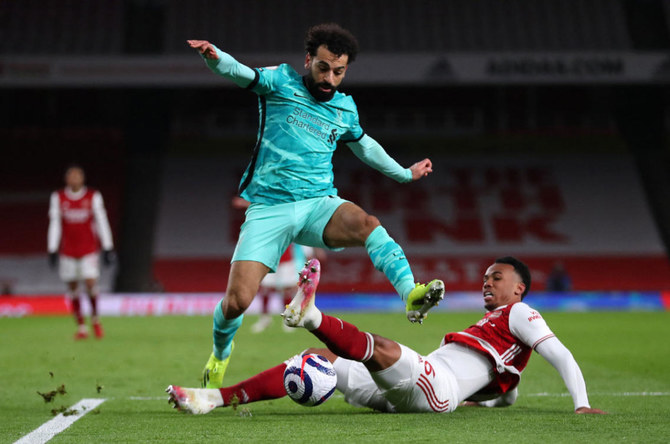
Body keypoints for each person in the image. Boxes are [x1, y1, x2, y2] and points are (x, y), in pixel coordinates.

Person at [188, 23, 445, 388]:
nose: (329, 78)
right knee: (236, 303)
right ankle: (220, 353)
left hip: (317, 203)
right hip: (269, 208)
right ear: (308, 60)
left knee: (367, 224)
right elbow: (240, 73)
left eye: (338, 71)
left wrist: (404, 174)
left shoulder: (344, 109)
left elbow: (366, 147)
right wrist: (216, 57)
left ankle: (411, 294)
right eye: (323, 67)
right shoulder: (279, 82)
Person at [167, 257, 607, 415]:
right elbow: (508, 390)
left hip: (437, 390)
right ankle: (214, 399)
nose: (487, 283)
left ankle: (312, 312)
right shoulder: (491, 329)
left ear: (519, 288)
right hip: (412, 389)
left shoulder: (522, 312)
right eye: (486, 277)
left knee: (386, 347)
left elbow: (562, 355)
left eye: (498, 277)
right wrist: (491, 397)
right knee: (315, 360)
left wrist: (582, 404)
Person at [48, 165, 115, 340]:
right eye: (71, 176)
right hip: (68, 251)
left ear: (83, 179)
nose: (74, 179)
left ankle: (95, 319)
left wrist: (108, 246)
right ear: (66, 179)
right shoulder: (59, 197)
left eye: (77, 176)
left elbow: (101, 221)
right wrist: (52, 248)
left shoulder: (93, 196)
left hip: (88, 250)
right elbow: (55, 223)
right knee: (72, 288)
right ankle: (81, 327)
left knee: (91, 283)